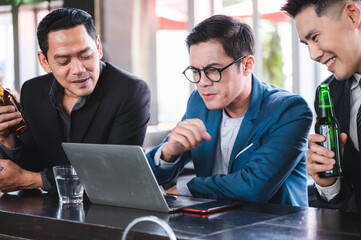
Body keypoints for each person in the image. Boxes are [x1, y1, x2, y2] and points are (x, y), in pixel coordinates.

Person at [146, 15, 313, 206]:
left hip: (273, 227)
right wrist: (169, 153)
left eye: (213, 70)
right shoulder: (199, 102)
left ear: (247, 65)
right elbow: (149, 178)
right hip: (210, 224)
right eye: (195, 71)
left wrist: (187, 187)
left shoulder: (289, 111)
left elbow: (254, 187)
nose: (202, 83)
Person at [0, 8, 151, 193]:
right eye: (64, 61)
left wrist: (31, 180)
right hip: (47, 211)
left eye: (85, 55)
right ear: (44, 62)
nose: (78, 69)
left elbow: (117, 173)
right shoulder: (33, 91)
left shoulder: (130, 91)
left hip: (107, 211)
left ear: (98, 47)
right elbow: (33, 161)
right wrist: (8, 139)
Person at [281, 0, 361, 212]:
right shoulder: (328, 95)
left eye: (315, 37)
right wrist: (328, 183)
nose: (313, 54)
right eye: (307, 44)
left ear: (352, 16)